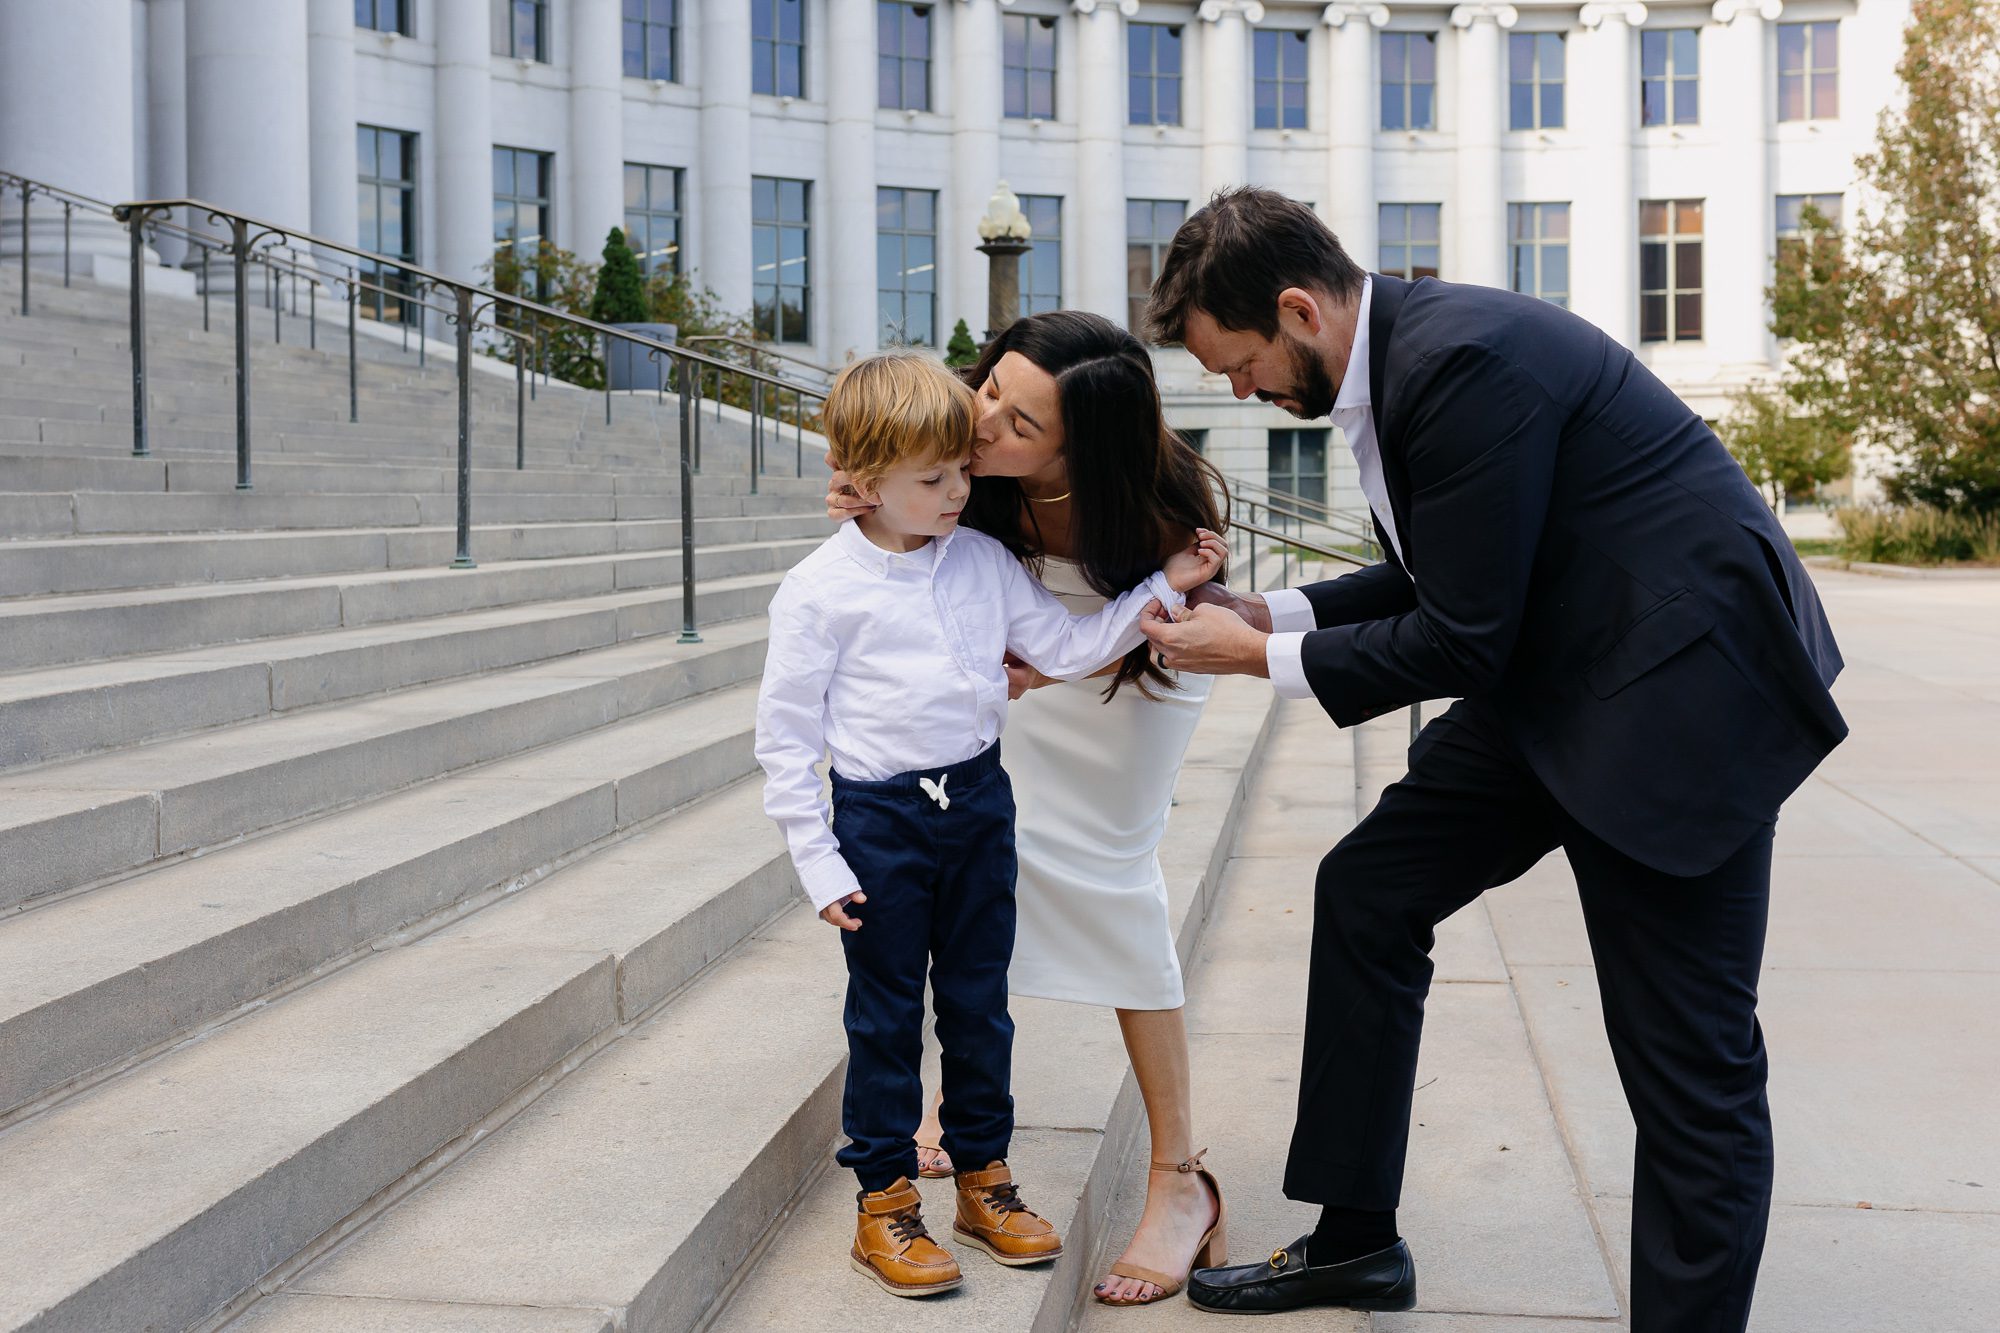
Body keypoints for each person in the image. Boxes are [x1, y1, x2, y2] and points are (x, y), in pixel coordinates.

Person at [1135, 188, 1847, 1329]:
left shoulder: (1462, 366)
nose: (1239, 392)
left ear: (1296, 310)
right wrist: (1261, 614)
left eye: (1239, 365)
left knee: (1688, 1068)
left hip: (1680, 701)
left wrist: (1249, 660)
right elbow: (1441, 576)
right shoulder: (1401, 363)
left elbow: (1461, 632)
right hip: (1562, 668)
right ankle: (1356, 1243)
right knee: (1367, 891)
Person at [755, 351, 1226, 1299]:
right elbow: (785, 739)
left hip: (978, 803)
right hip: (879, 818)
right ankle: (884, 1202)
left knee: (980, 1004)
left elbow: (1072, 644)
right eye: (935, 478)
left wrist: (1161, 587)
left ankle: (984, 1180)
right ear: (864, 476)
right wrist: (819, 861)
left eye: (963, 471)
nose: (959, 488)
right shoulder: (818, 591)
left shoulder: (980, 557)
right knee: (886, 1015)